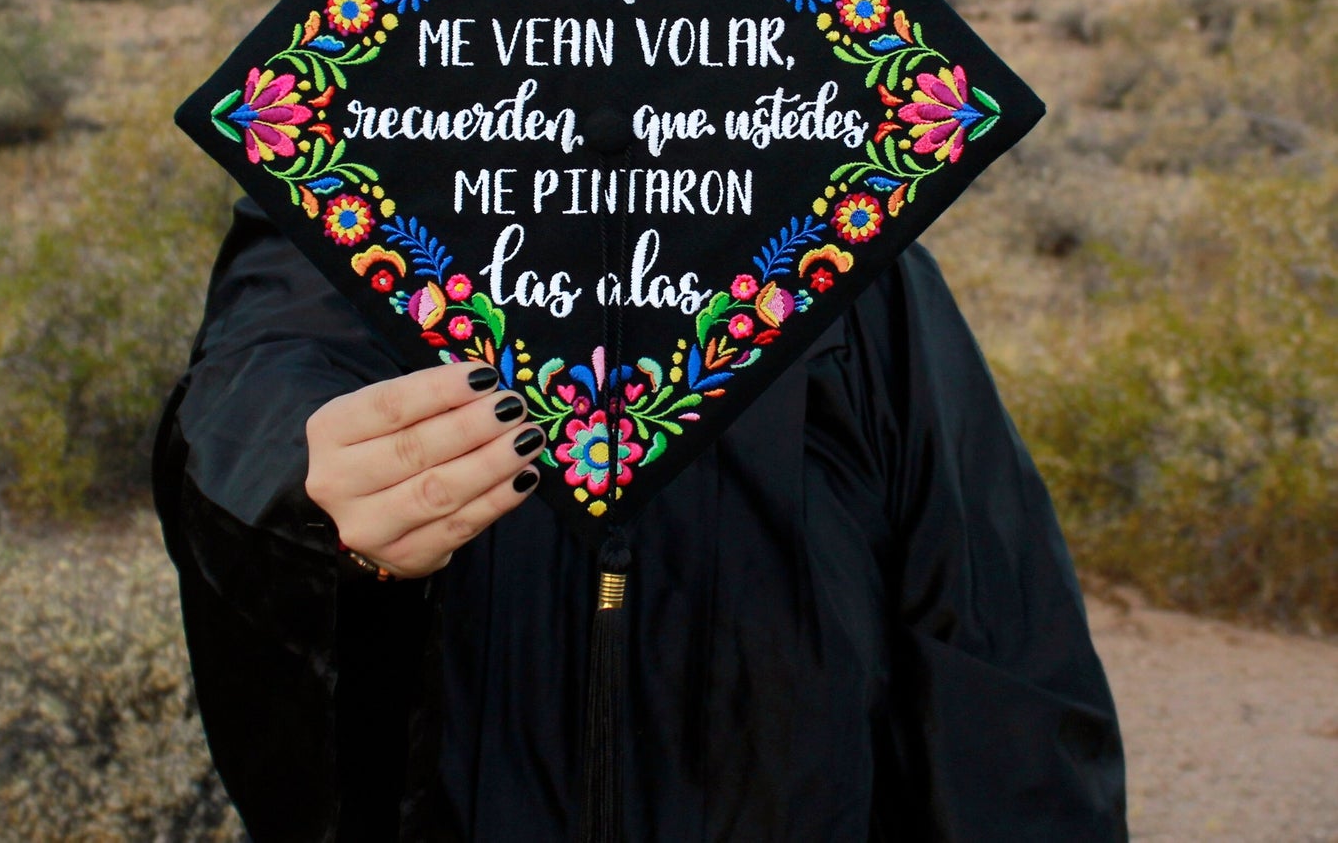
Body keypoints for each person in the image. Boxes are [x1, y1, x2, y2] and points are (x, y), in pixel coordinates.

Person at [153, 191, 1128, 841]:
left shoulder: (850, 266)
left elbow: (996, 656)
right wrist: (302, 478)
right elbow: (257, 384)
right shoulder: (348, 224)